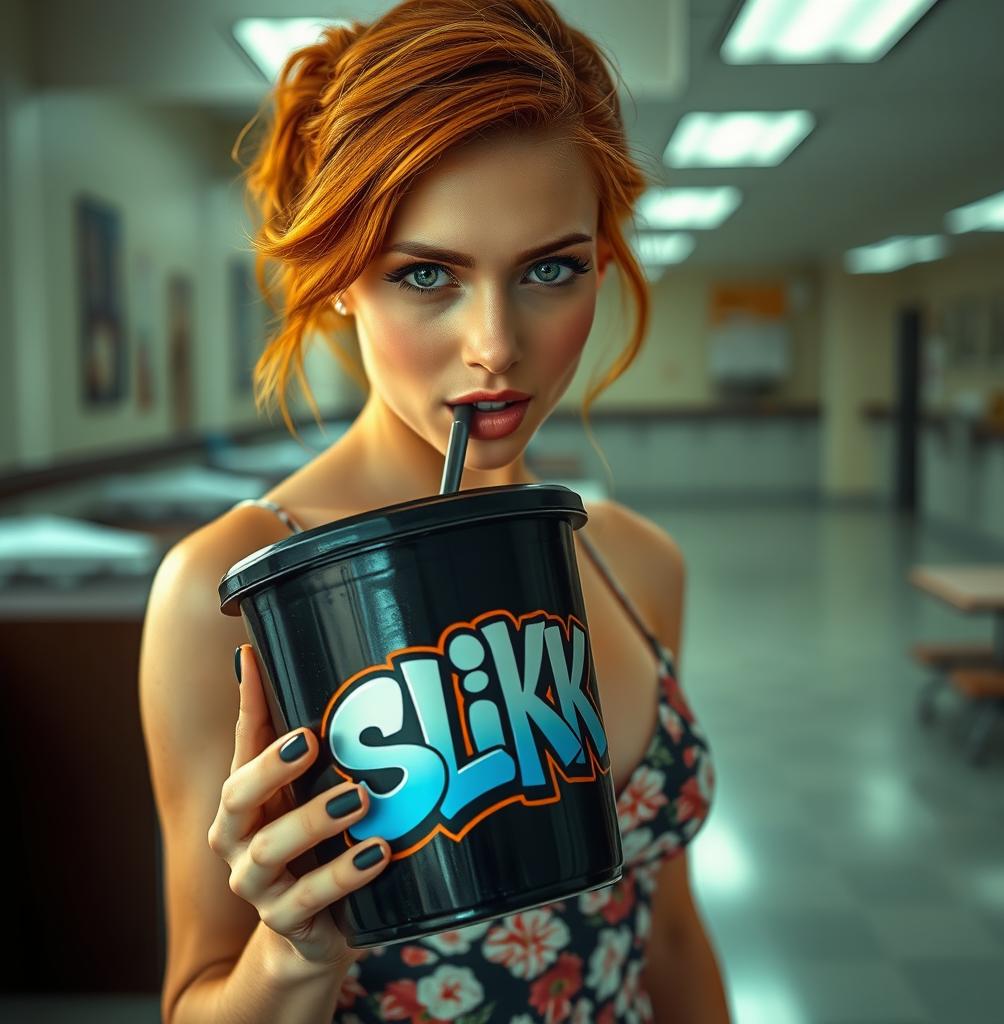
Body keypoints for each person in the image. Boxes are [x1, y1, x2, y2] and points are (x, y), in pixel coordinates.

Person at [139, 1, 729, 1021]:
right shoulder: (235, 590)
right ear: (335, 282)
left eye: (552, 267)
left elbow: (667, 928)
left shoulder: (637, 562)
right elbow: (195, 995)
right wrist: (293, 954)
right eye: (426, 274)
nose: (495, 342)